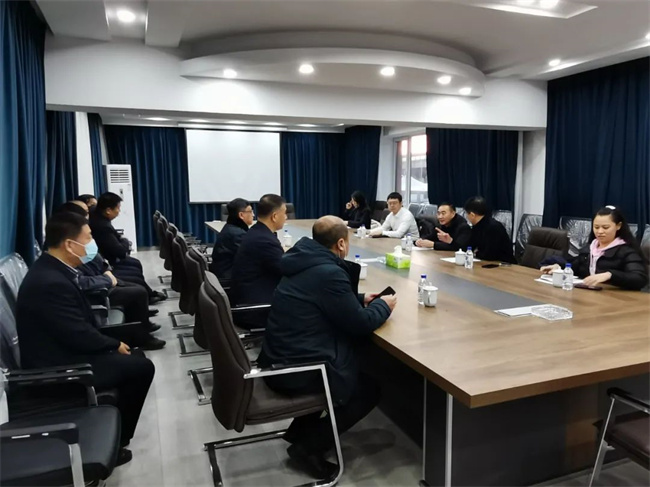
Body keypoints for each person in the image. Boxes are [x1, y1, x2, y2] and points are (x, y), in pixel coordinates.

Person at [258, 216, 396, 478]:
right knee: (368, 389)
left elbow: (317, 295)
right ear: (341, 243)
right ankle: (308, 448)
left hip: (279, 355)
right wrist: (383, 305)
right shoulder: (329, 272)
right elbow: (360, 323)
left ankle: (299, 432)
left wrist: (358, 298)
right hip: (296, 369)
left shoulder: (303, 260)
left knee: (353, 364)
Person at [16, 212, 155, 465]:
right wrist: (113, 345)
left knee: (136, 351)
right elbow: (76, 334)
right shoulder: (50, 282)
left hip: (65, 349)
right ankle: (116, 442)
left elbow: (76, 327)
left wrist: (112, 344)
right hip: (58, 365)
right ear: (70, 244)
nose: (92, 243)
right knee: (141, 367)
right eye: (88, 238)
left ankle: (116, 432)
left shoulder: (54, 269)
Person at [53, 202, 165, 351]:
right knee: (137, 291)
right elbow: (80, 280)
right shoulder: (67, 250)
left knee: (136, 283)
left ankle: (140, 326)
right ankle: (141, 337)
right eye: (86, 211)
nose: (90, 213)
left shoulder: (82, 235)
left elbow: (99, 258)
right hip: (96, 292)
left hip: (101, 277)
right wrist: (106, 278)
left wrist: (106, 270)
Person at [541, 206, 648, 290]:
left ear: (618, 226)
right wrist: (560, 268)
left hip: (618, 301)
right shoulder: (591, 247)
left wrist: (610, 275)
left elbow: (639, 278)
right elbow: (578, 267)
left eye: (605, 227)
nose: (600, 231)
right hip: (591, 296)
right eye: (596, 227)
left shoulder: (627, 250)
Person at [90, 192, 166, 304]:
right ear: (108, 210)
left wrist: (121, 241)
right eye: (118, 208)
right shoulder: (102, 225)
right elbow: (120, 251)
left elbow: (116, 239)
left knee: (135, 263)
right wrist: (125, 241)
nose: (119, 211)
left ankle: (148, 295)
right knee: (134, 273)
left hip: (108, 257)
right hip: (108, 261)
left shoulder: (97, 215)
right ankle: (146, 297)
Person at [231, 194, 287, 310]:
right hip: (257, 307)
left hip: (248, 297)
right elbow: (286, 269)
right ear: (274, 216)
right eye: (285, 213)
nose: (286, 217)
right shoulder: (264, 240)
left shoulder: (256, 232)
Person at [209, 198, 254, 280]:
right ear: (241, 215)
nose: (253, 215)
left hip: (221, 272)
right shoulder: (238, 234)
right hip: (228, 278)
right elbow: (252, 258)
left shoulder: (231, 228)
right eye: (250, 212)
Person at [463, 196, 516, 263]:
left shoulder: (493, 227)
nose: (466, 217)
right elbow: (469, 247)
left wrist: (476, 253)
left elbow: (489, 255)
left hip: (503, 264)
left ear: (472, 215)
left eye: (466, 214)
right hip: (487, 263)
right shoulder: (476, 226)